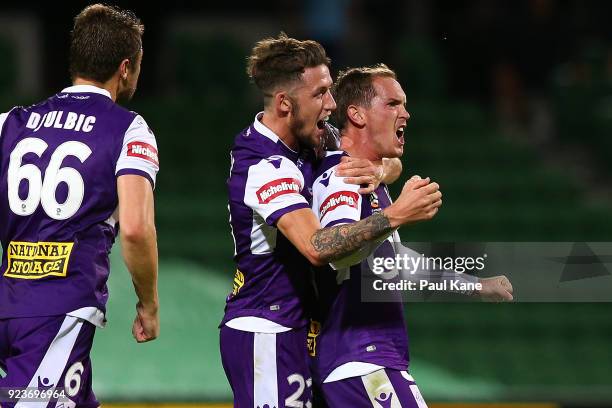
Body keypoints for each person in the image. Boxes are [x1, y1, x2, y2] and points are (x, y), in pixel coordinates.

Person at [221, 34, 442, 408]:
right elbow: (317, 247)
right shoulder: (265, 166)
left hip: (302, 330)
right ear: (285, 103)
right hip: (266, 327)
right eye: (321, 93)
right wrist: (395, 214)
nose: (332, 103)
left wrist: (381, 171)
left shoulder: (316, 136)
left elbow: (384, 158)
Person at [309, 64, 513, 407]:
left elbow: (391, 264)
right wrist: (397, 214)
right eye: (392, 103)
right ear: (357, 115)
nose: (405, 112)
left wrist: (474, 284)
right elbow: (336, 250)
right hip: (361, 358)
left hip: (365, 359)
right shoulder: (345, 174)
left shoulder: (372, 179)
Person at [0, 4, 159, 407]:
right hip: (59, 310)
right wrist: (148, 303)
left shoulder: (10, 122)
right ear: (125, 68)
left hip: (9, 303)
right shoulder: (129, 128)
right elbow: (136, 230)